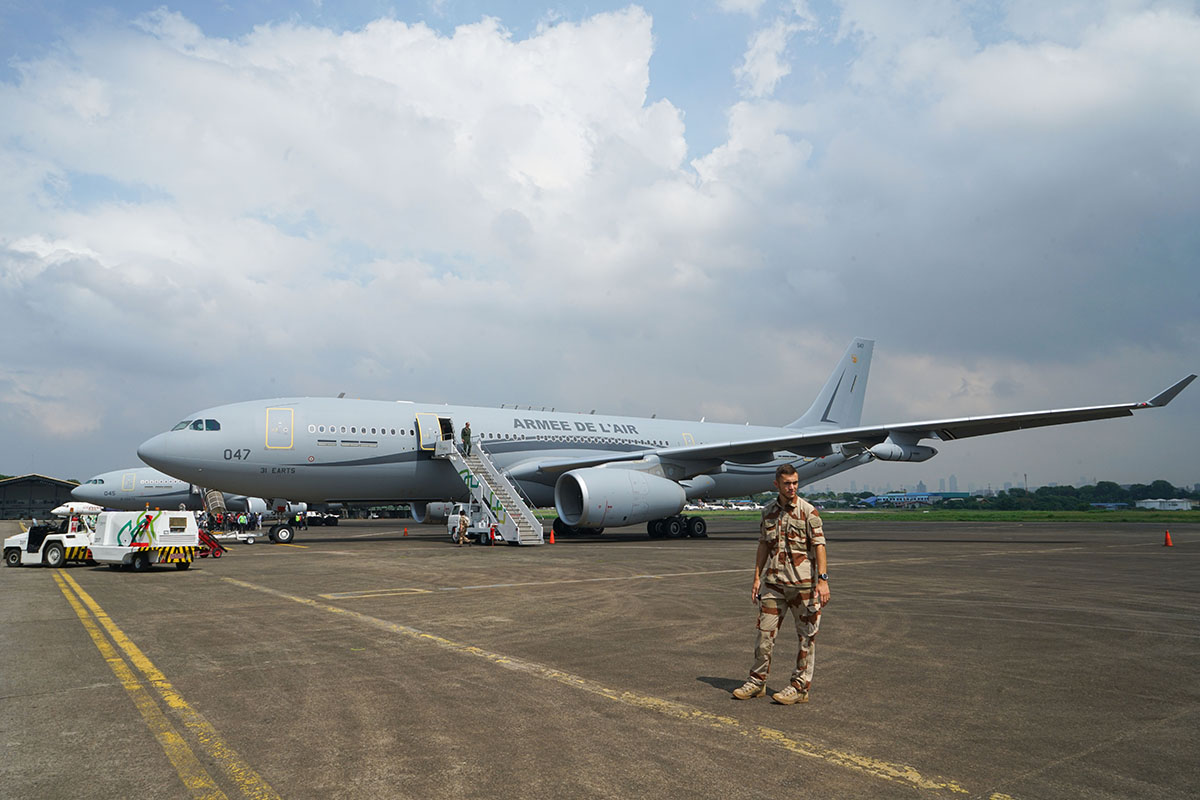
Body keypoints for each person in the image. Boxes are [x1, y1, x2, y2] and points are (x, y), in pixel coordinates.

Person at [732, 463, 830, 705]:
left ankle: (800, 687)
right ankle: (757, 682)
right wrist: (756, 577)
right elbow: (764, 544)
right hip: (773, 583)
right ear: (777, 485)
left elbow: (819, 546)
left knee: (806, 638)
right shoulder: (768, 512)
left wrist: (823, 580)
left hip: (803, 585)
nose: (792, 487)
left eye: (795, 483)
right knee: (764, 634)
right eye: (787, 483)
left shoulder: (808, 512)